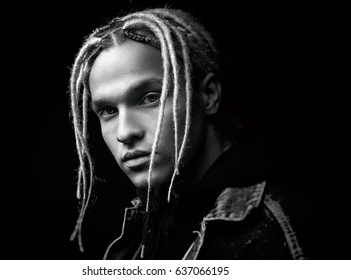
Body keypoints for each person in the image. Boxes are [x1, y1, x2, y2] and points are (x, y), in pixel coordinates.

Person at [68, 7, 321, 259]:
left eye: (150, 98)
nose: (125, 132)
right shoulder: (148, 229)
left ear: (208, 95)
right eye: (109, 110)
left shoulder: (272, 227)